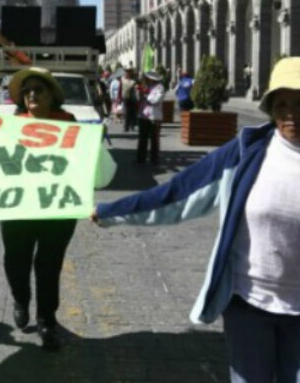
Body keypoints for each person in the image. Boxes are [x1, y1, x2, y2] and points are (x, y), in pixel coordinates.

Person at [92, 57, 300, 383]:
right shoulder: (246, 153)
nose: (291, 113)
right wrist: (111, 212)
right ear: (271, 107)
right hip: (249, 305)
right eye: (282, 102)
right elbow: (178, 193)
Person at [3, 67, 115, 351]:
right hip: (18, 209)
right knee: (16, 260)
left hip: (57, 209)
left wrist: (95, 145)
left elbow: (91, 170)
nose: (31, 95)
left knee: (49, 265)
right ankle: (20, 298)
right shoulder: (9, 126)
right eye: (26, 91)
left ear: (52, 96)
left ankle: (46, 319)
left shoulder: (71, 124)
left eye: (37, 90)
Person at [136, 71, 165, 165]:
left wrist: (145, 96)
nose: (146, 79)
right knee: (142, 139)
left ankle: (154, 159)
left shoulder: (160, 88)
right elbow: (138, 99)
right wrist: (138, 93)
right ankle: (141, 158)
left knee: (154, 139)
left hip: (154, 116)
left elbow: (155, 100)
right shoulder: (146, 87)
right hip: (143, 115)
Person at [120, 67, 138, 132]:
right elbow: (120, 89)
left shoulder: (134, 81)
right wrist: (119, 98)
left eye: (129, 72)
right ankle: (126, 127)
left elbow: (136, 90)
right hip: (125, 98)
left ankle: (132, 126)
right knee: (126, 113)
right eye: (127, 72)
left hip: (132, 99)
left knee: (133, 113)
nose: (127, 73)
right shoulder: (122, 79)